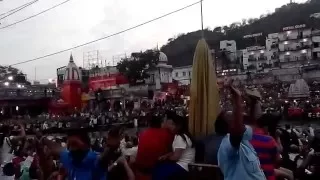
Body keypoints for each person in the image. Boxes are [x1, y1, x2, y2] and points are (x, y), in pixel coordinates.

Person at [217, 82, 266, 180]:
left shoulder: (245, 142)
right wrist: (237, 99)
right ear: (228, 126)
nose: (240, 119)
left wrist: (253, 102)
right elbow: (237, 130)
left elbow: (250, 123)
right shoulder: (227, 144)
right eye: (234, 118)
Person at [152, 114, 195, 180]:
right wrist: (166, 155)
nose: (170, 126)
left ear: (178, 126)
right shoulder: (182, 135)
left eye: (172, 124)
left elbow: (175, 157)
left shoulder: (180, 138)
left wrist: (166, 158)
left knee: (158, 170)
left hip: (183, 166)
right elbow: (176, 152)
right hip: (182, 165)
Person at [134, 115, 173, 179]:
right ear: (161, 123)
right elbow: (171, 150)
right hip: (154, 168)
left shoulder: (143, 133)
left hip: (140, 168)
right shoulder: (166, 133)